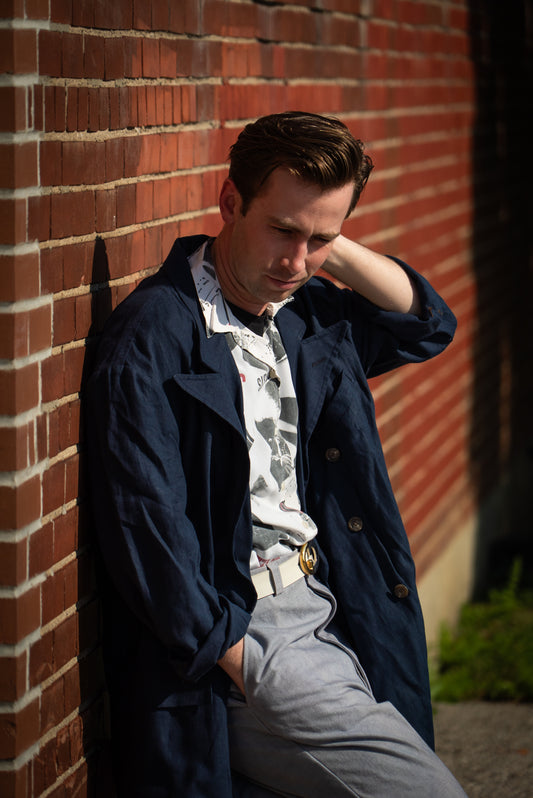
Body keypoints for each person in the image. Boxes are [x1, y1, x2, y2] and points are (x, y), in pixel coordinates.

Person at [86, 112, 467, 797]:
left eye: (320, 239)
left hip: (332, 597)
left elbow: (426, 325)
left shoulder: (301, 309)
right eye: (281, 230)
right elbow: (144, 529)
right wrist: (234, 659)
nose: (296, 263)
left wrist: (330, 246)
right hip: (251, 634)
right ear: (229, 202)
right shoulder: (156, 337)